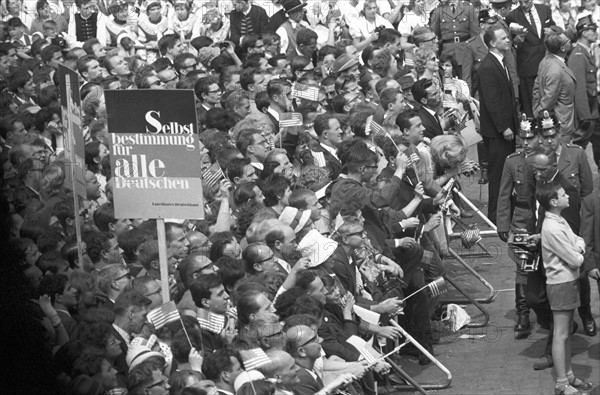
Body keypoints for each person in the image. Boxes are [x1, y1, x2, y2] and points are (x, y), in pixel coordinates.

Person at [537, 181, 593, 395]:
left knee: (566, 331)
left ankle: (568, 375)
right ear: (553, 201)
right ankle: (561, 384)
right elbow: (575, 259)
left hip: (567, 282)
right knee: (561, 333)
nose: (568, 196)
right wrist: (578, 251)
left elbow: (578, 240)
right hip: (560, 284)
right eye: (563, 195)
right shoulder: (552, 227)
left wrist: (577, 247)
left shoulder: (558, 220)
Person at [497, 115, 539, 339]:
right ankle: (523, 314)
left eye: (530, 137)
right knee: (523, 267)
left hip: (543, 219)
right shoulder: (513, 161)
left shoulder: (548, 158)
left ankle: (546, 311)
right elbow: (504, 195)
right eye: (523, 137)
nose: (526, 142)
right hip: (522, 220)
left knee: (544, 267)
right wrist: (503, 223)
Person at [477, 25, 518, 225]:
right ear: (493, 43)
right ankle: (495, 215)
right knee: (498, 174)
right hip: (497, 132)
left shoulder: (499, 62)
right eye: (504, 38)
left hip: (505, 128)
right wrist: (504, 127)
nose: (508, 40)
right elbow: (492, 101)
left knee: (506, 172)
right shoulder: (487, 67)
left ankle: (504, 212)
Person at [506, 0, 555, 117]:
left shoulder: (545, 9)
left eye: (526, 1)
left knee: (549, 97)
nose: (523, 5)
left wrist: (552, 31)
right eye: (520, 2)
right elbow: (509, 41)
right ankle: (532, 127)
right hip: (527, 65)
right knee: (531, 100)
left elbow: (553, 26)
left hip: (546, 61)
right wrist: (516, 42)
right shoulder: (512, 16)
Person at [532, 26, 576, 142]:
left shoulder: (546, 60)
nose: (570, 41)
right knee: (561, 157)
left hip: (558, 121)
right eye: (567, 41)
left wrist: (536, 109)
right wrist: (539, 113)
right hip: (560, 124)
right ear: (562, 48)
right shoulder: (556, 70)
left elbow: (536, 89)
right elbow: (549, 99)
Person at [567, 15, 598, 149]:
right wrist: (585, 116)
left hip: (593, 110)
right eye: (593, 30)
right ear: (584, 33)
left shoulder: (586, 53)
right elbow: (579, 89)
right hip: (586, 113)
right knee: (579, 146)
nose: (596, 33)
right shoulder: (578, 56)